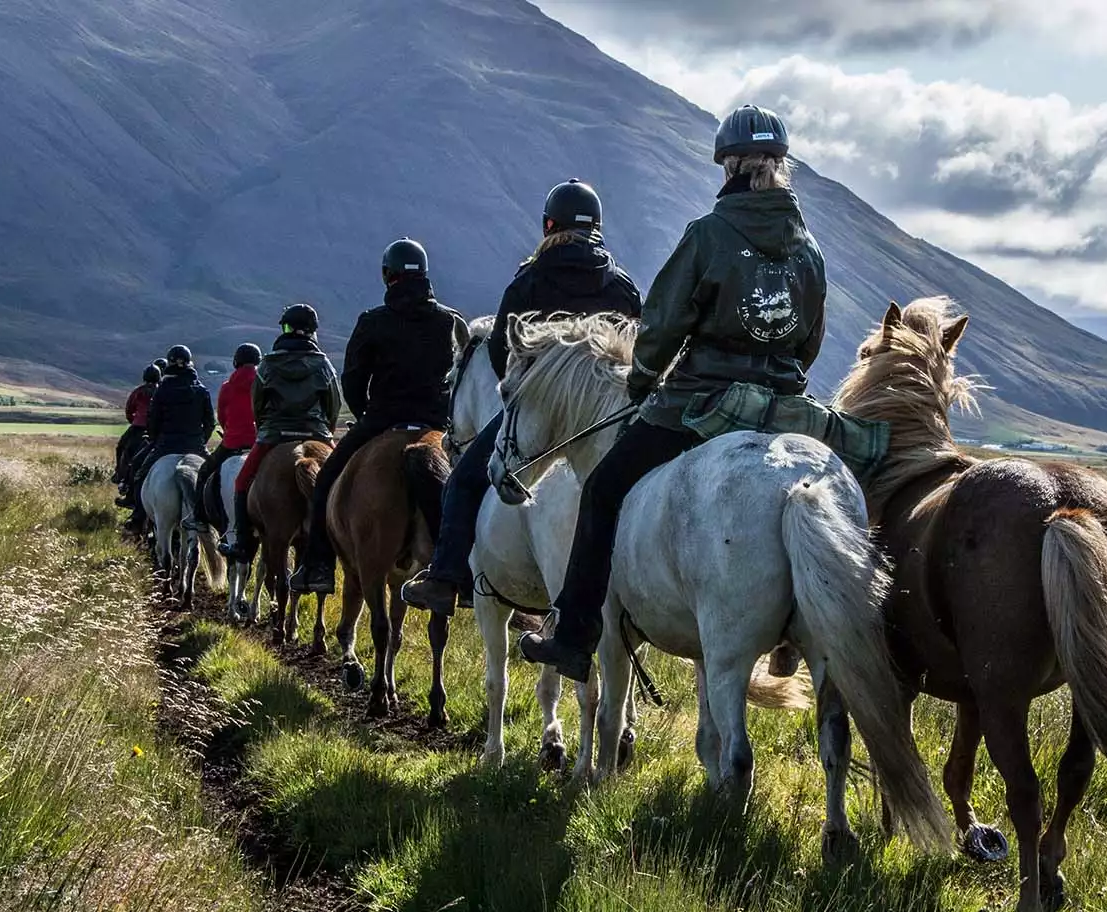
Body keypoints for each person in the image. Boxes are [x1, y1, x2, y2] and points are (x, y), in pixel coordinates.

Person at [520, 105, 826, 682]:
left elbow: (661, 325)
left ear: (728, 165)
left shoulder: (708, 236)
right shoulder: (809, 250)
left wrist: (642, 382)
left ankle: (574, 634)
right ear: (780, 167)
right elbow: (809, 341)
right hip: (779, 408)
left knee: (605, 489)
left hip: (699, 404)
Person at [401, 180, 643, 617]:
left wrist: (530, 393)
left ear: (549, 224)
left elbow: (499, 351)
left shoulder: (530, 279)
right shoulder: (620, 283)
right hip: (606, 419)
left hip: (538, 411)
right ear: (598, 227)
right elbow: (636, 346)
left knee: (464, 479)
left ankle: (446, 576)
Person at [290, 239, 469, 594]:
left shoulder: (373, 322)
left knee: (325, 481)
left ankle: (319, 566)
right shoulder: (450, 321)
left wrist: (367, 416)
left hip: (383, 419)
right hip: (438, 424)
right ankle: (463, 572)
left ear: (388, 276)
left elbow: (353, 381)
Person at [222, 305, 340, 561]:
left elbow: (258, 404)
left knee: (241, 483)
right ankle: (344, 542)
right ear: (313, 331)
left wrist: (266, 427)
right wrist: (326, 432)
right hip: (317, 434)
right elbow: (334, 404)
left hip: (274, 434)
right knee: (345, 481)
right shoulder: (323, 364)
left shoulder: (268, 364)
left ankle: (243, 543)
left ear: (284, 328)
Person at [196, 343, 262, 549]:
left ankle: (198, 517)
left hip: (232, 442)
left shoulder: (227, 386)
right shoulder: (264, 384)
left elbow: (221, 417)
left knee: (205, 471)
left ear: (236, 362)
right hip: (260, 444)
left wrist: (230, 430)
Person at [141, 346, 216, 522]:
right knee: (215, 477)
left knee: (140, 475)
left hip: (166, 446)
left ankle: (137, 515)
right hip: (195, 446)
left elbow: (153, 421)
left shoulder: (162, 390)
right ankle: (218, 519)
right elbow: (210, 422)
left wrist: (155, 440)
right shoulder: (201, 390)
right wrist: (201, 441)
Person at [113, 362, 163, 484]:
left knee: (121, 446)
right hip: (158, 428)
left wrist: (133, 421)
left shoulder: (138, 392)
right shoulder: (161, 391)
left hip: (138, 427)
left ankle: (120, 473)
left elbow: (129, 410)